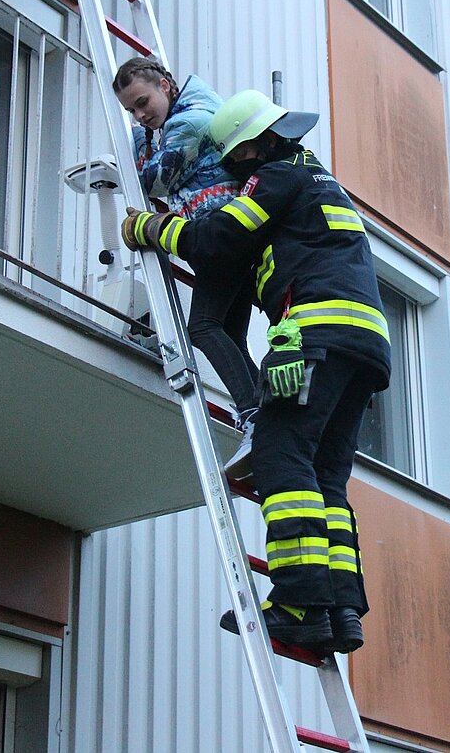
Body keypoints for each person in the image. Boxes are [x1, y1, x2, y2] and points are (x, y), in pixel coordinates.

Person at [121, 89, 390, 654]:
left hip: (316, 335)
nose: (234, 169)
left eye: (236, 158)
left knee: (280, 456)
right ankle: (340, 609)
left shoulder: (275, 178)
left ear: (253, 147)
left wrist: (152, 228)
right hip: (364, 346)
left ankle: (297, 603)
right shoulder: (319, 179)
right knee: (325, 477)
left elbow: (216, 240)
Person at [112, 57, 261, 463]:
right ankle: (268, 416)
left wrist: (135, 141)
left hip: (220, 234)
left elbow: (155, 179)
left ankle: (255, 416)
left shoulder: (190, 121)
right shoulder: (186, 113)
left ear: (165, 85)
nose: (140, 116)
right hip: (228, 233)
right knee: (230, 336)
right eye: (131, 111)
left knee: (203, 327)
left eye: (142, 103)